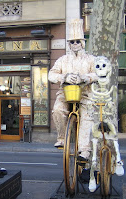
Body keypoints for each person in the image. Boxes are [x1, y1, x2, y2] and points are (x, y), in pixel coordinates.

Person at [48, 19, 98, 160]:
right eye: (72, 42)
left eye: (77, 41)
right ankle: (62, 138)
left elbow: (98, 74)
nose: (75, 44)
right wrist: (64, 77)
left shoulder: (90, 59)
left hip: (85, 95)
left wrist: (85, 78)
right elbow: (51, 74)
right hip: (65, 94)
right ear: (69, 44)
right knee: (57, 110)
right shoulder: (63, 60)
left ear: (82, 43)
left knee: (87, 117)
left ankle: (84, 151)